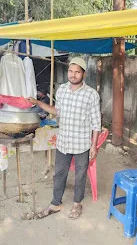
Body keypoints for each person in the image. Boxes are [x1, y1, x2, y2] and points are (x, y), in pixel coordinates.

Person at [27, 57, 101, 219]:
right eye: (71, 71)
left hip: (82, 143)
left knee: (80, 174)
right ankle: (56, 203)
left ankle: (77, 203)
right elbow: (57, 111)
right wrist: (38, 103)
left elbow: (96, 123)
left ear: (84, 74)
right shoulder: (61, 90)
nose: (73, 75)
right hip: (64, 142)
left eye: (77, 72)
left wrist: (94, 145)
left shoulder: (91, 94)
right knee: (59, 173)